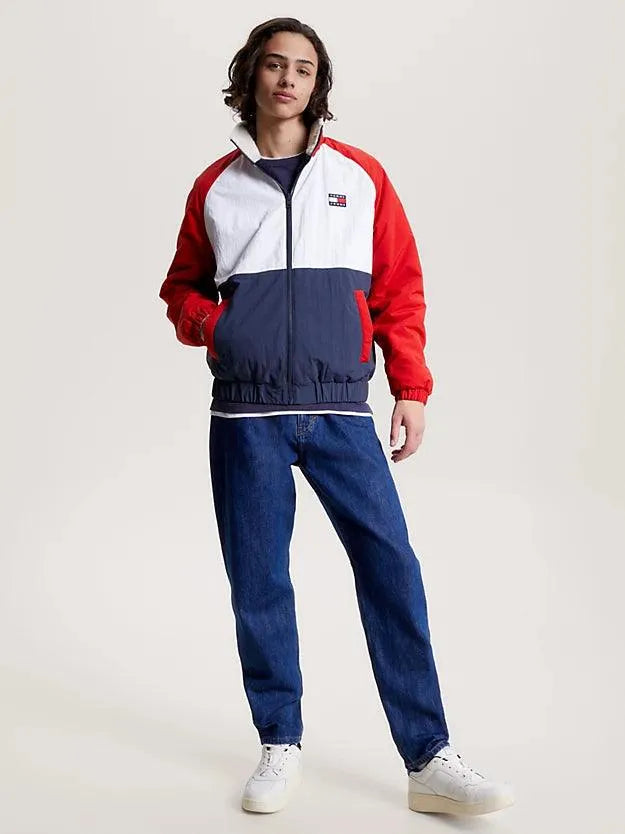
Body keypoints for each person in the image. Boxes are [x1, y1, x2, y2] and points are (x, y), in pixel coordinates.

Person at [159, 16, 515, 817]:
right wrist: (218, 326)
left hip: (340, 409)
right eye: (274, 64)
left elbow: (398, 286)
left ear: (318, 85)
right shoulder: (215, 186)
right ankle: (278, 741)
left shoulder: (360, 176)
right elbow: (181, 287)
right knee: (258, 581)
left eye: (304, 68)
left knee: (391, 569)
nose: (288, 78)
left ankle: (428, 758)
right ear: (250, 75)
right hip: (246, 415)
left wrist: (410, 386)